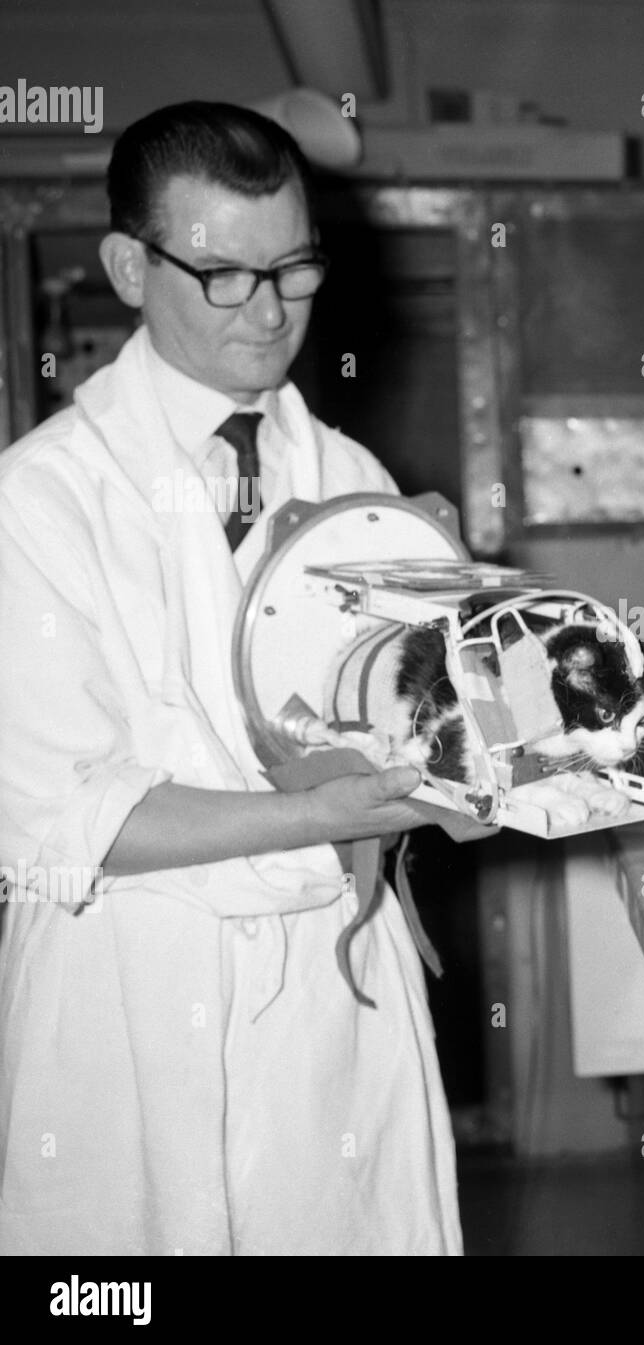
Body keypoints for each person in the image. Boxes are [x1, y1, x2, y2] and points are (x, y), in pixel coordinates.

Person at [0, 102, 462, 1255]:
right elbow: (61, 824)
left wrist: (489, 743)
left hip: (328, 986)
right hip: (134, 982)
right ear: (126, 266)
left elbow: (410, 745)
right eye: (221, 272)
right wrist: (315, 812)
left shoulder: (351, 476)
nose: (267, 310)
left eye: (294, 268)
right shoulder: (41, 500)